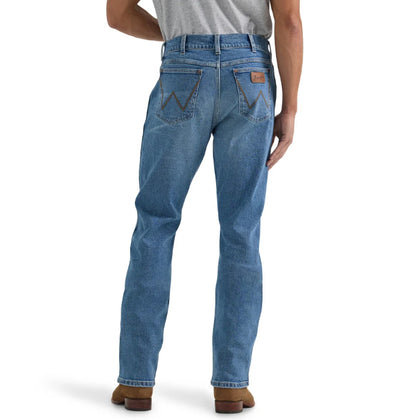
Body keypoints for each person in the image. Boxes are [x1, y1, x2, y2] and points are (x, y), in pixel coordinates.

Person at [106, 0, 303, 413]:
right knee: (241, 230)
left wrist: (180, 34)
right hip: (249, 73)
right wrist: (290, 109)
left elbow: (118, 14)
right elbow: (288, 21)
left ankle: (136, 381)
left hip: (182, 70)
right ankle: (231, 385)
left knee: (156, 223)